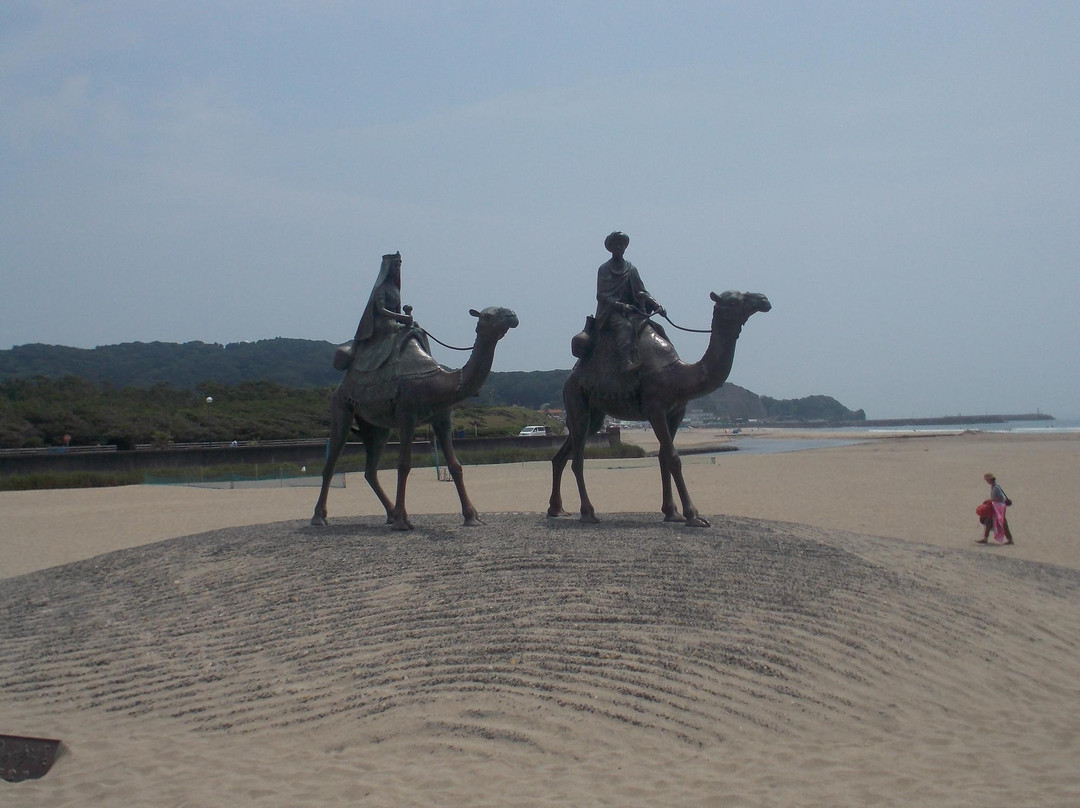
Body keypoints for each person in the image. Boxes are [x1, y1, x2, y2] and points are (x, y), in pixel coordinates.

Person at [593, 231, 665, 373]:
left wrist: (656, 305)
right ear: (611, 247)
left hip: (633, 311)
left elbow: (641, 291)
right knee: (624, 327)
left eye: (621, 244)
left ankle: (668, 363)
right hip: (611, 313)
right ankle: (626, 362)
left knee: (658, 329)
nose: (619, 246)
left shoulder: (631, 269)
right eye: (616, 244)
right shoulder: (604, 269)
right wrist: (620, 306)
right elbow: (602, 295)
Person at [977, 472, 1014, 545]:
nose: (986, 481)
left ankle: (1010, 539)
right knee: (989, 521)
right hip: (995, 506)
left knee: (1002, 522)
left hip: (999, 507)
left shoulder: (996, 487)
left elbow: (1001, 498)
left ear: (990, 479)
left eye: (987, 480)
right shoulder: (994, 486)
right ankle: (985, 538)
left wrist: (991, 500)